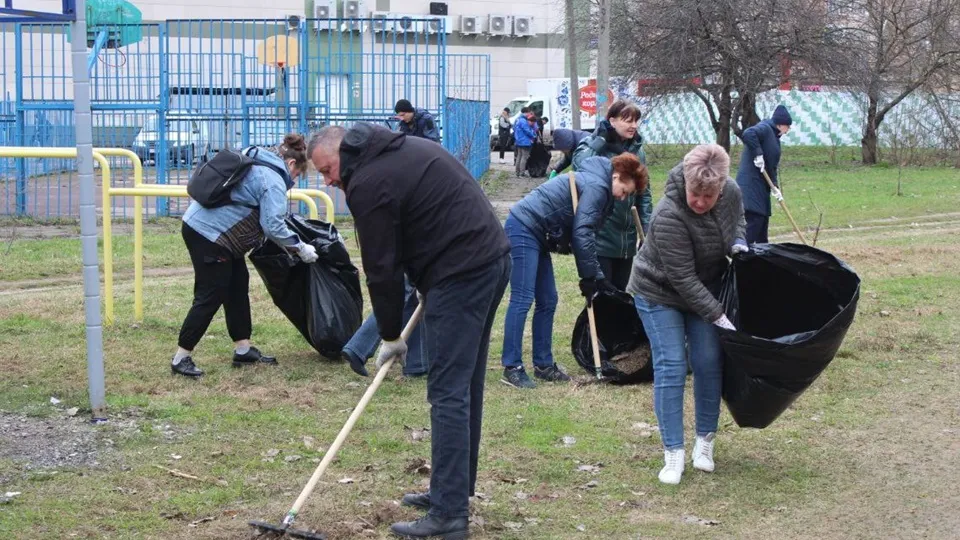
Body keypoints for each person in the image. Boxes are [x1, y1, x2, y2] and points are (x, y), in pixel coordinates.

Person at [308, 123, 511, 539]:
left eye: (327, 169)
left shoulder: (368, 181)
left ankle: (450, 516)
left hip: (463, 270)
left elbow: (382, 269)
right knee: (464, 384)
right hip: (487, 257)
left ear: (342, 151)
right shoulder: (402, 148)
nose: (328, 181)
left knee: (448, 391)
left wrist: (388, 335)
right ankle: (451, 490)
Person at [626, 144, 748, 485]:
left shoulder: (732, 192)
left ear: (721, 188)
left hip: (705, 287)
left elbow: (737, 218)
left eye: (708, 197)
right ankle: (673, 452)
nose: (700, 202)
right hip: (659, 292)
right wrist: (718, 316)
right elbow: (682, 278)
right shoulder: (668, 213)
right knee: (673, 364)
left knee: (709, 360)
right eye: (696, 194)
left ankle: (704, 443)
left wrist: (739, 242)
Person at [170, 134, 318, 378]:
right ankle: (181, 357)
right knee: (211, 294)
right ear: (291, 164)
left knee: (237, 286)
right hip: (210, 236)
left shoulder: (256, 159)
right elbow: (273, 225)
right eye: (298, 175)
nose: (295, 180)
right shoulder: (273, 180)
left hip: (213, 233)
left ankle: (243, 350)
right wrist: (300, 248)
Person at [501, 153, 649, 389]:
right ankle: (512, 367)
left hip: (539, 233)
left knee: (548, 299)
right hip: (524, 226)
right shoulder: (598, 186)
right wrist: (589, 277)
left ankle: (543, 364)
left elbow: (586, 235)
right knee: (522, 297)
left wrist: (596, 278)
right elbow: (583, 233)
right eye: (626, 189)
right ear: (618, 176)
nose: (625, 197)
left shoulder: (600, 186)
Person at [573, 99, 654, 290]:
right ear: (612, 121)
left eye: (636, 121)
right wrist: (599, 141)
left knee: (620, 296)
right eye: (627, 120)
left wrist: (647, 230)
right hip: (601, 237)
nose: (633, 125)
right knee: (601, 297)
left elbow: (644, 193)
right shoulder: (595, 144)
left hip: (626, 241)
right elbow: (579, 165)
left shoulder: (637, 151)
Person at [736, 104, 792, 244]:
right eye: (788, 126)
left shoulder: (774, 138)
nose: (788, 130)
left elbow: (771, 167)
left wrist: (775, 187)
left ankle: (762, 262)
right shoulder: (765, 128)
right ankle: (742, 257)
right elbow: (748, 133)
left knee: (762, 229)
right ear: (781, 124)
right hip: (751, 186)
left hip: (762, 188)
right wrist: (758, 154)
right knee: (755, 222)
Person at [513, 107, 537, 177]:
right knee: (524, 157)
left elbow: (513, 128)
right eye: (529, 112)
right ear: (526, 112)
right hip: (525, 141)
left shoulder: (517, 119)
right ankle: (522, 173)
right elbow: (527, 130)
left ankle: (517, 172)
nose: (529, 114)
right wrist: (534, 135)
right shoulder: (523, 120)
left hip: (518, 140)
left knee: (519, 156)